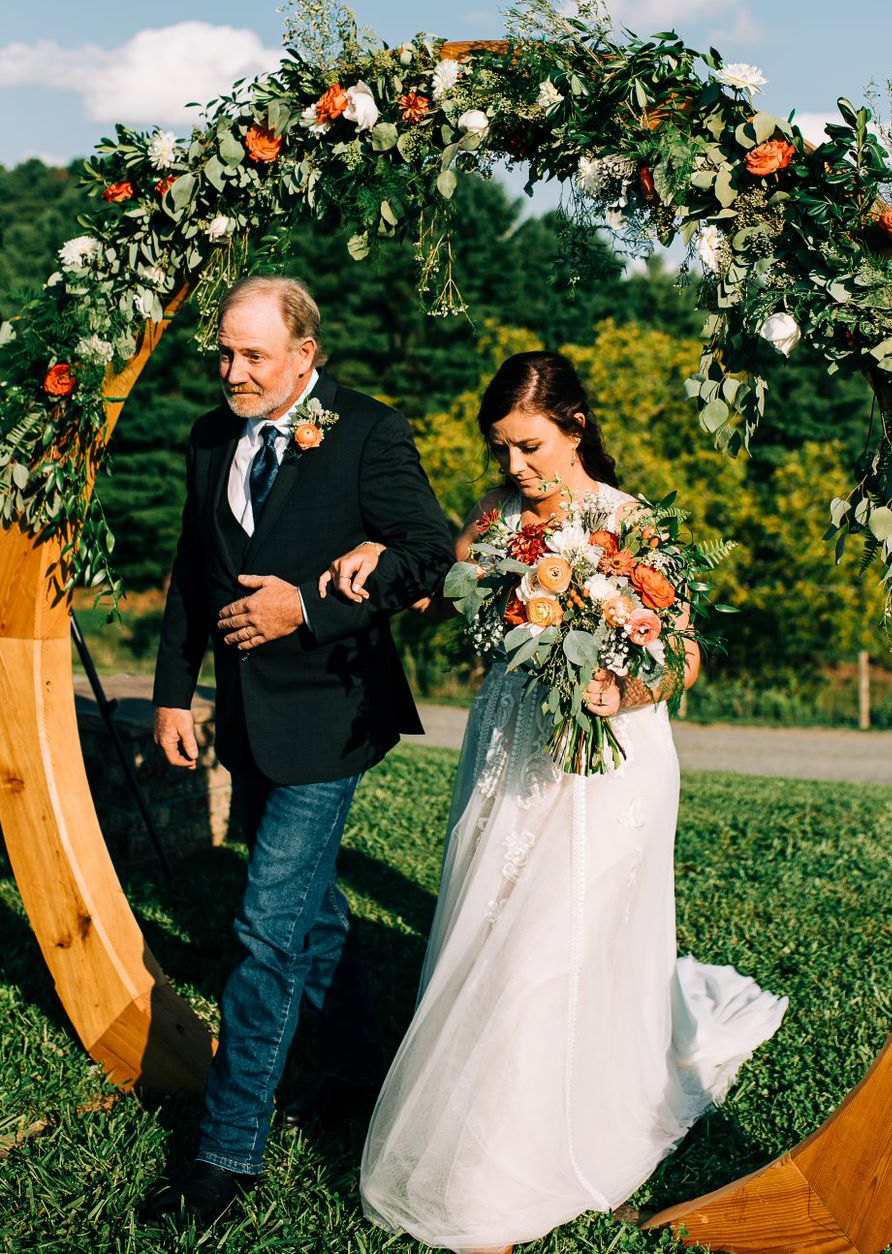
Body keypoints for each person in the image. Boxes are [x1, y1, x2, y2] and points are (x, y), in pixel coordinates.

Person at [330, 350, 789, 1254]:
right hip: (508, 749)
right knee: (490, 930)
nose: (515, 468)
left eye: (530, 446)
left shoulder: (629, 522)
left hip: (608, 762)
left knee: (552, 944)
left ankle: (510, 1165)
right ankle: (485, 1134)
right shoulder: (495, 516)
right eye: (501, 449)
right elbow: (433, 576)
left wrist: (627, 689)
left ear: (575, 428)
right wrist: (387, 551)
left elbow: (683, 655)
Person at [142, 275, 455, 1230]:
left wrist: (309, 609)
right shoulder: (207, 437)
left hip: (330, 717)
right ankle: (361, 1060)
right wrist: (170, 692)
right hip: (241, 717)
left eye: (254, 356)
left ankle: (226, 1159)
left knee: (267, 931)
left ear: (304, 356)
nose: (233, 372)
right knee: (310, 910)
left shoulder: (367, 430)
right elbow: (194, 577)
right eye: (225, 354)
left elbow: (428, 553)